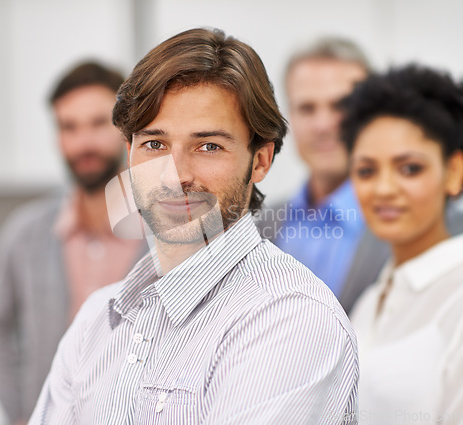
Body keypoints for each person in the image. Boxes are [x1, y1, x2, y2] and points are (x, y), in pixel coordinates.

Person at [29, 28, 358, 425]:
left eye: (208, 146)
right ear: (128, 152)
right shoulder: (96, 320)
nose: (174, 175)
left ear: (260, 161)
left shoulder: (291, 320)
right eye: (155, 144)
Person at [0, 62, 147, 425]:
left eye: (98, 123)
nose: (82, 142)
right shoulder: (26, 233)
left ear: (127, 131)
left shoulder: (168, 235)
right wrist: (21, 412)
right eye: (68, 127)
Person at [342, 65, 463, 423]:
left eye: (409, 168)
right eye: (366, 171)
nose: (383, 189)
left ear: (454, 172)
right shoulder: (369, 301)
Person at [257, 37, 389, 314]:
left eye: (341, 106)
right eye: (307, 108)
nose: (323, 125)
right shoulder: (257, 225)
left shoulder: (421, 223)